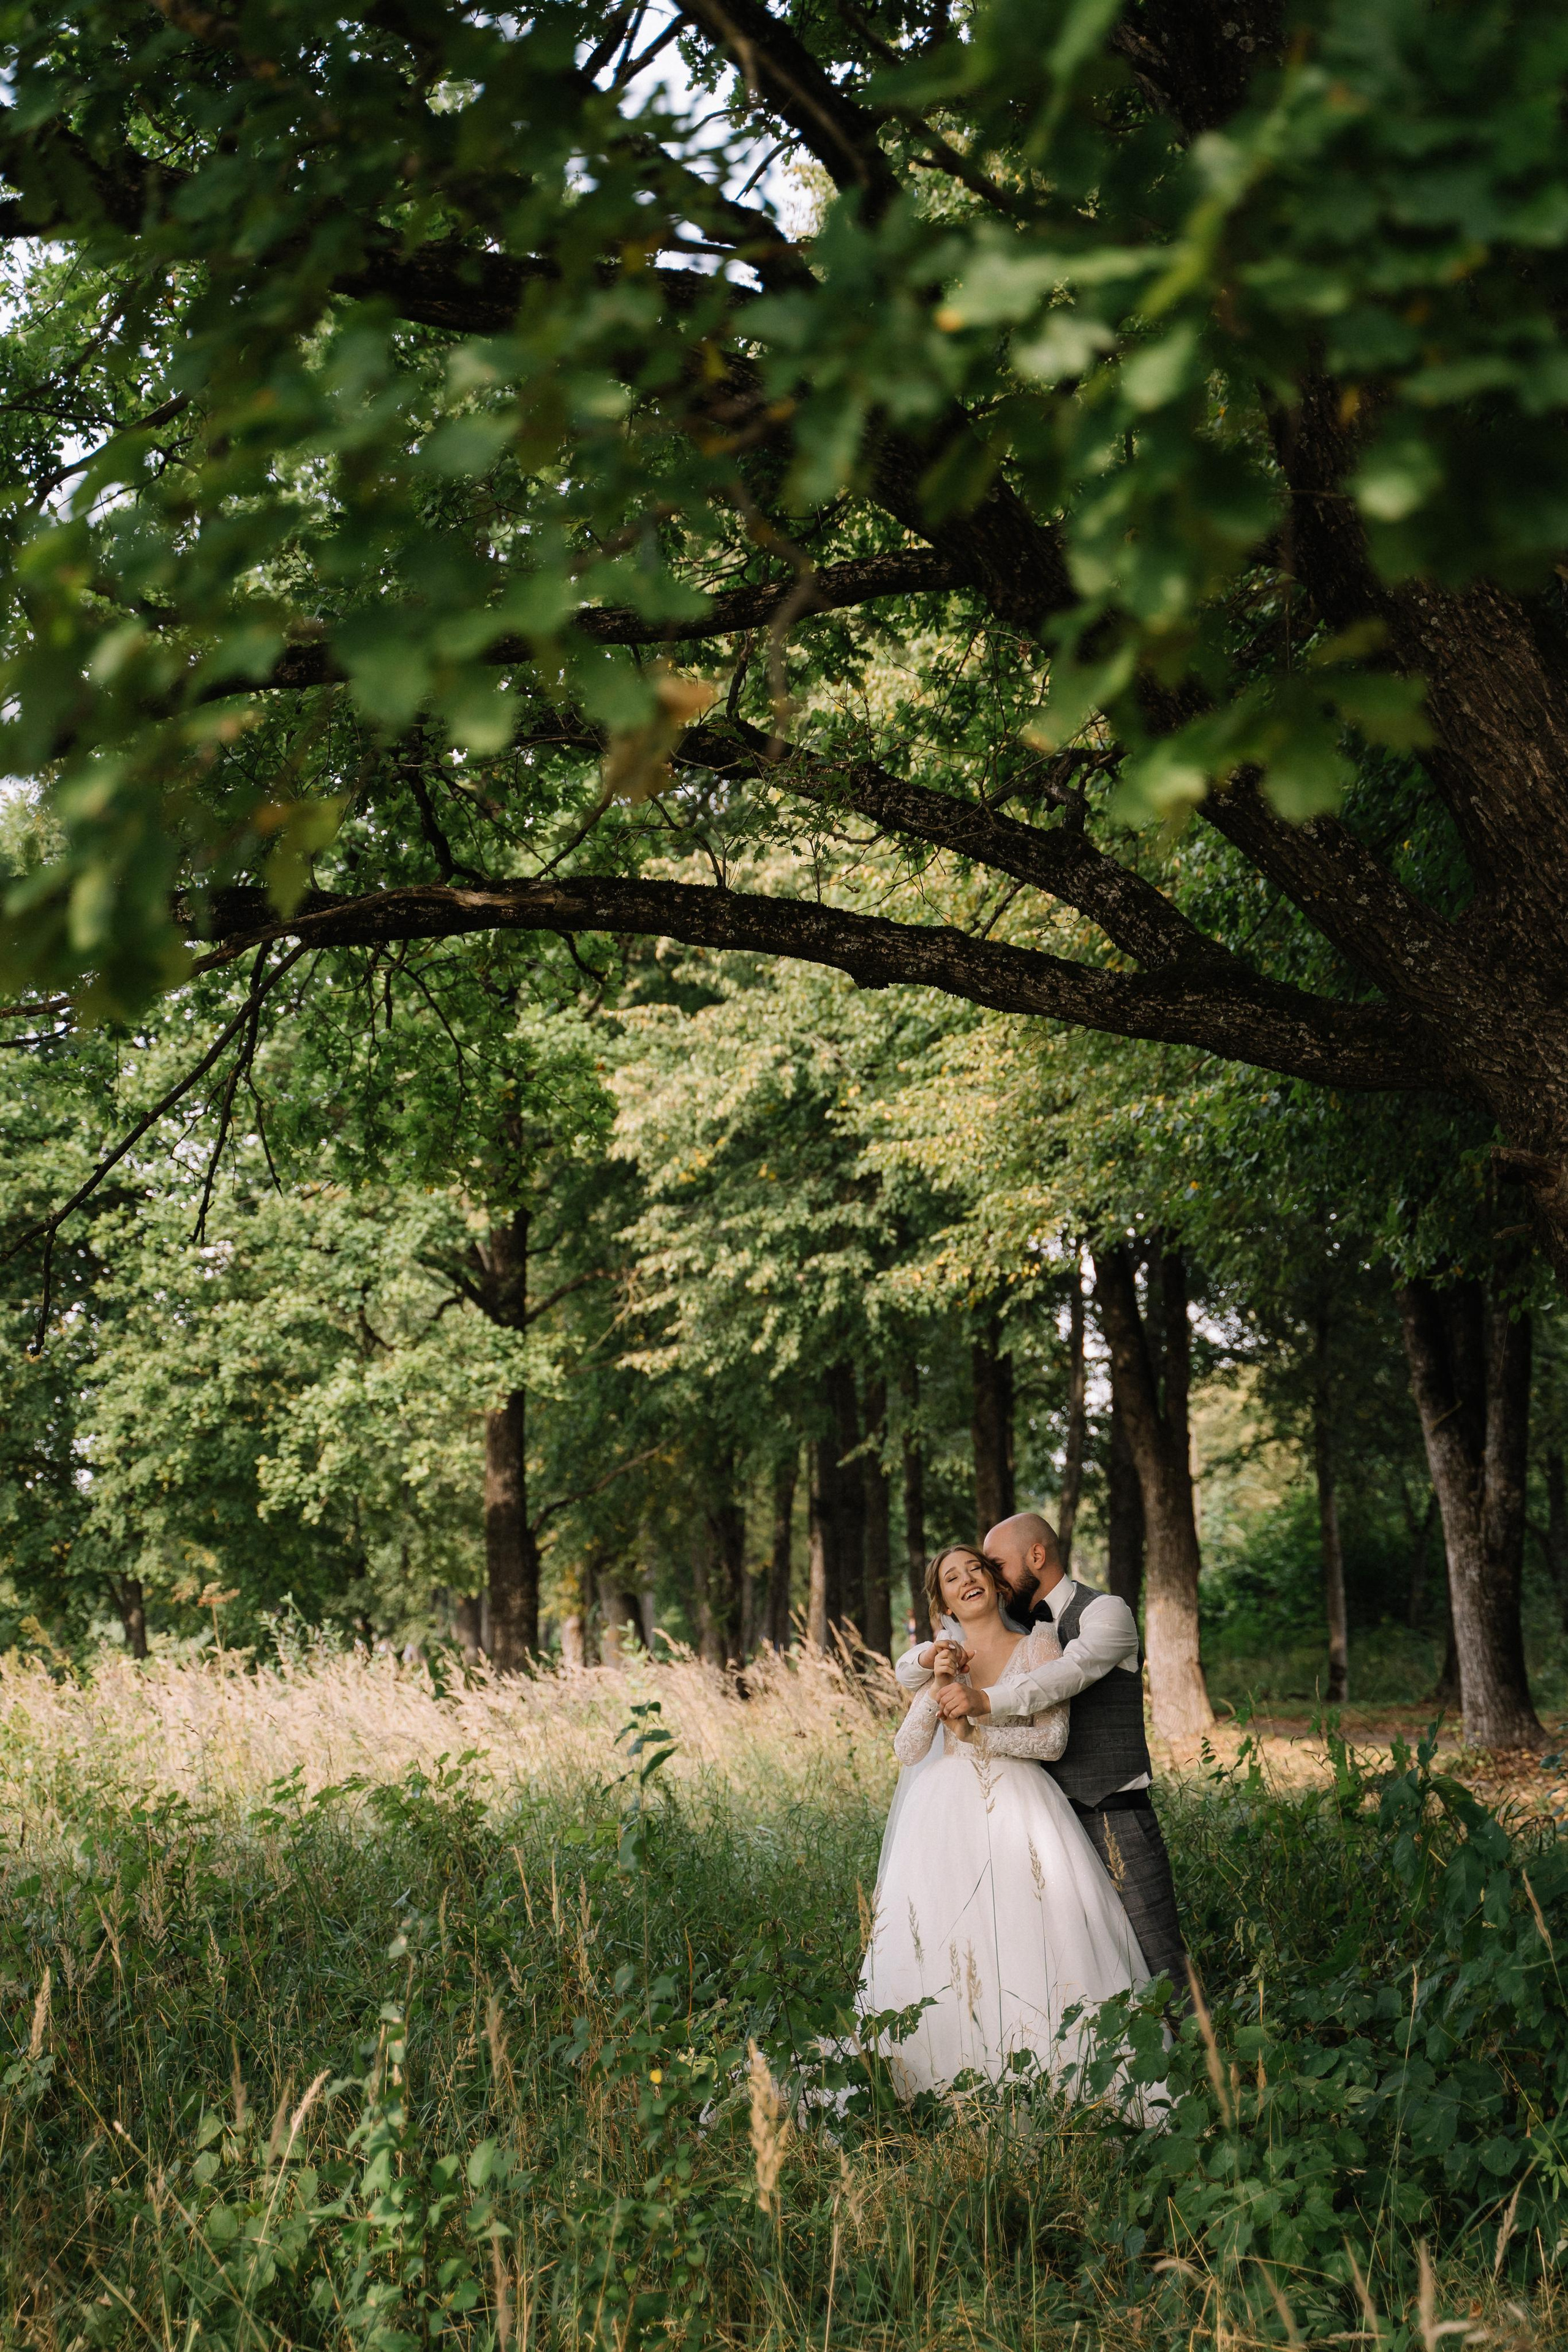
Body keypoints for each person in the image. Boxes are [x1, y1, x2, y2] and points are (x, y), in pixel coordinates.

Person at [860, 1542, 1151, 2097]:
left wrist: (978, 1732)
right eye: (951, 1577)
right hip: (940, 1817)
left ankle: (1044, 2072)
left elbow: (1051, 1740)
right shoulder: (940, 1658)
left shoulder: (1039, 1643)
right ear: (940, 1599)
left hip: (1018, 1803)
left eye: (976, 1569)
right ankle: (936, 2078)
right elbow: (907, 1748)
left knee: (1027, 1936)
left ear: (997, 1585)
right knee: (940, 1941)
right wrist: (939, 1683)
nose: (967, 1579)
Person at [895, 1509, 1187, 1998]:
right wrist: (930, 1661)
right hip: (1027, 1818)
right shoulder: (981, 1639)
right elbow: (910, 1705)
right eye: (961, 1575)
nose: (985, 1578)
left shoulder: (1101, 1614)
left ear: (1036, 1556)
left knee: (1154, 1955)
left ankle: (1199, 2066)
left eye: (992, 1566)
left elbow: (1065, 1677)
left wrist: (981, 1710)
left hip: (1108, 1810)